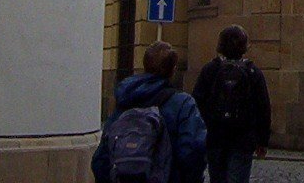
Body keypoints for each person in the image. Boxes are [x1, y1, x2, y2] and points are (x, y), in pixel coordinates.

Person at [92, 40, 206, 183]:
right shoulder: (183, 103)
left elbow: (102, 156)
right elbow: (192, 150)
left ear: (144, 65)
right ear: (173, 70)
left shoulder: (125, 99)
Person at [192, 24, 271, 183]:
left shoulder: (210, 69)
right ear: (244, 47)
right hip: (242, 139)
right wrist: (262, 141)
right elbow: (263, 107)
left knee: (217, 178)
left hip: (215, 137)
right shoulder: (252, 72)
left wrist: (198, 135)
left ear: (220, 45)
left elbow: (196, 103)